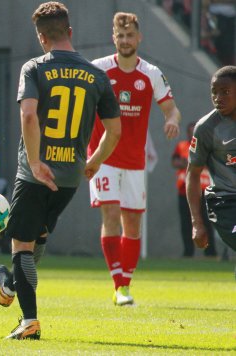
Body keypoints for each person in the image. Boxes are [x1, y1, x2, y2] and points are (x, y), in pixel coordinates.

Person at [0, 2, 121, 340]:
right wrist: (93, 162)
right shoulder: (97, 75)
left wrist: (35, 162)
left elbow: (29, 117)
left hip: (35, 173)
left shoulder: (35, 68)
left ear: (41, 36)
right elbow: (115, 130)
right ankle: (10, 283)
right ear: (70, 32)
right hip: (69, 178)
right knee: (38, 239)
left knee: (21, 246)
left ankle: (29, 321)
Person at [87, 12, 181, 306]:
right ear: (113, 38)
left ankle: (124, 284)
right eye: (120, 36)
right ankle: (119, 285)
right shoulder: (98, 70)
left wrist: (172, 121)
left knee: (133, 223)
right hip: (103, 156)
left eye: (130, 36)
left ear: (139, 38)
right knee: (111, 215)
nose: (125, 41)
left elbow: (171, 109)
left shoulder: (151, 73)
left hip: (134, 160)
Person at [187, 65, 236, 253]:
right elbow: (192, 175)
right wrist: (197, 223)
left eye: (225, 92)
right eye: (214, 92)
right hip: (225, 202)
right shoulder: (206, 128)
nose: (218, 98)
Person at [172, 121, 217, 257]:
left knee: (206, 221)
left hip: (204, 191)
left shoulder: (207, 146)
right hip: (184, 191)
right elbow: (175, 161)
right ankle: (188, 252)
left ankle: (210, 252)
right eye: (190, 132)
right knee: (186, 223)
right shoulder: (182, 146)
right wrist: (186, 162)